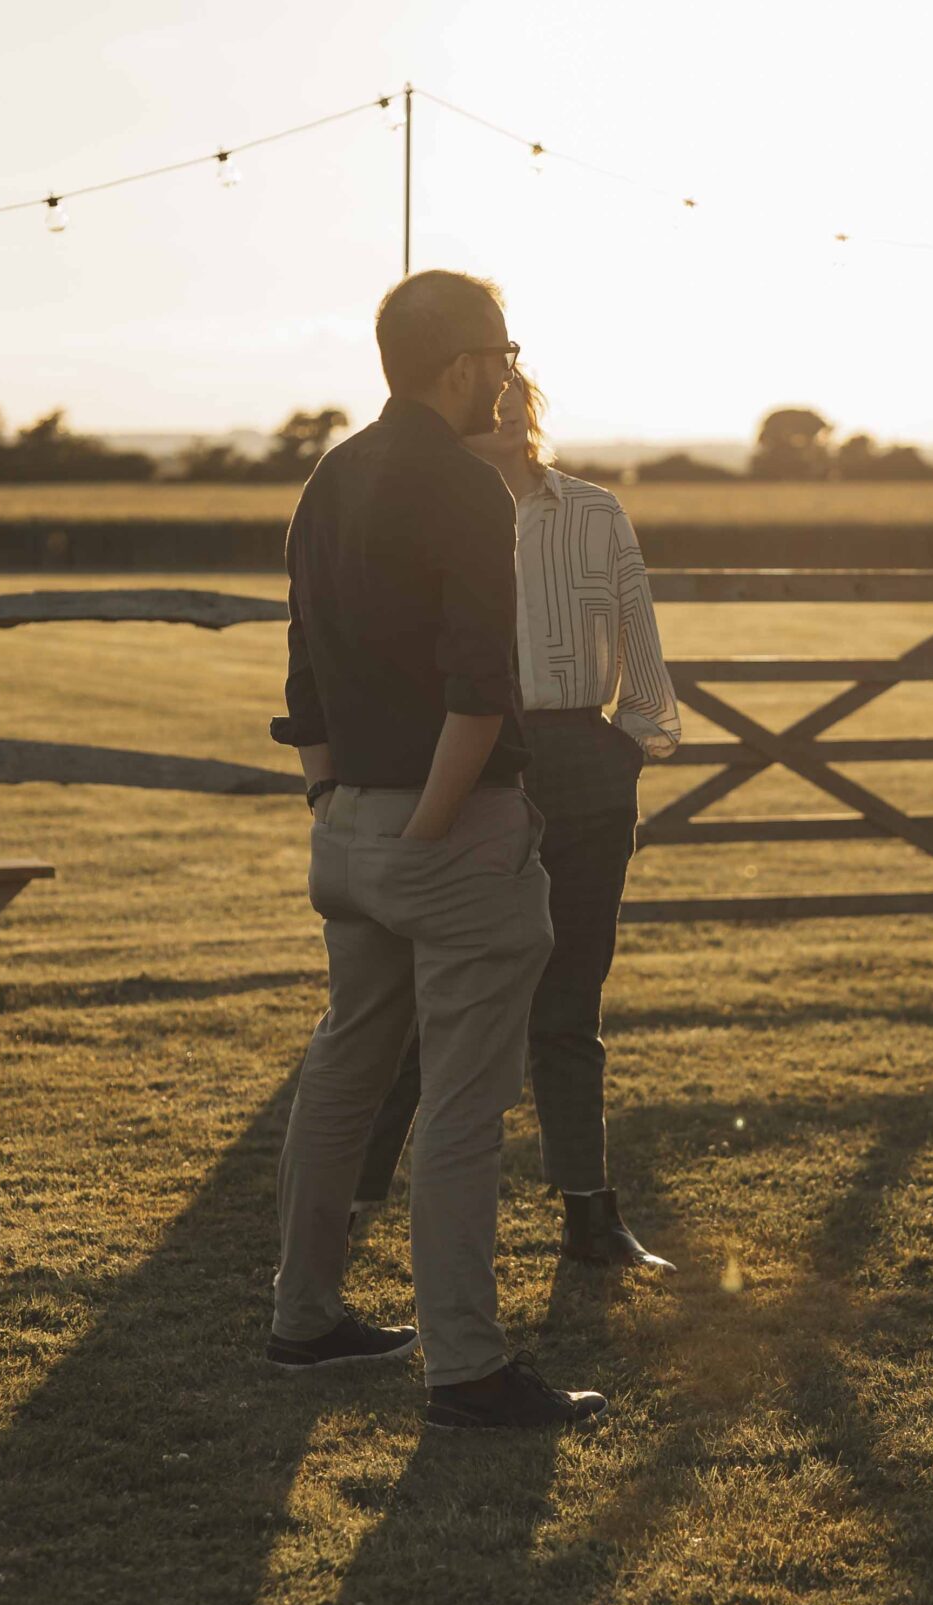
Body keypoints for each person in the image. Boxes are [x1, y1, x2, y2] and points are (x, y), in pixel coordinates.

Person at [267, 268, 606, 1432]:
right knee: (462, 1105)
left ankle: (303, 1316)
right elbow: (479, 690)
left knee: (345, 1071)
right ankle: (464, 1367)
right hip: (444, 835)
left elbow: (303, 674)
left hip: (346, 829)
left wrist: (338, 808)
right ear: (461, 363)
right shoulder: (465, 490)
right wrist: (428, 831)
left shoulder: (332, 476)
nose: (511, 378)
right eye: (503, 356)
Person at [348, 370, 683, 1271]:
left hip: (581, 762)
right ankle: (353, 1199)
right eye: (478, 391)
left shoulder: (592, 511)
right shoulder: (423, 511)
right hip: (466, 761)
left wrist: (624, 746)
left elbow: (639, 630)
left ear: (527, 409)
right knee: (433, 999)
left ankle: (590, 1215)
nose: (496, 404)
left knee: (571, 1001)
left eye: (511, 391)